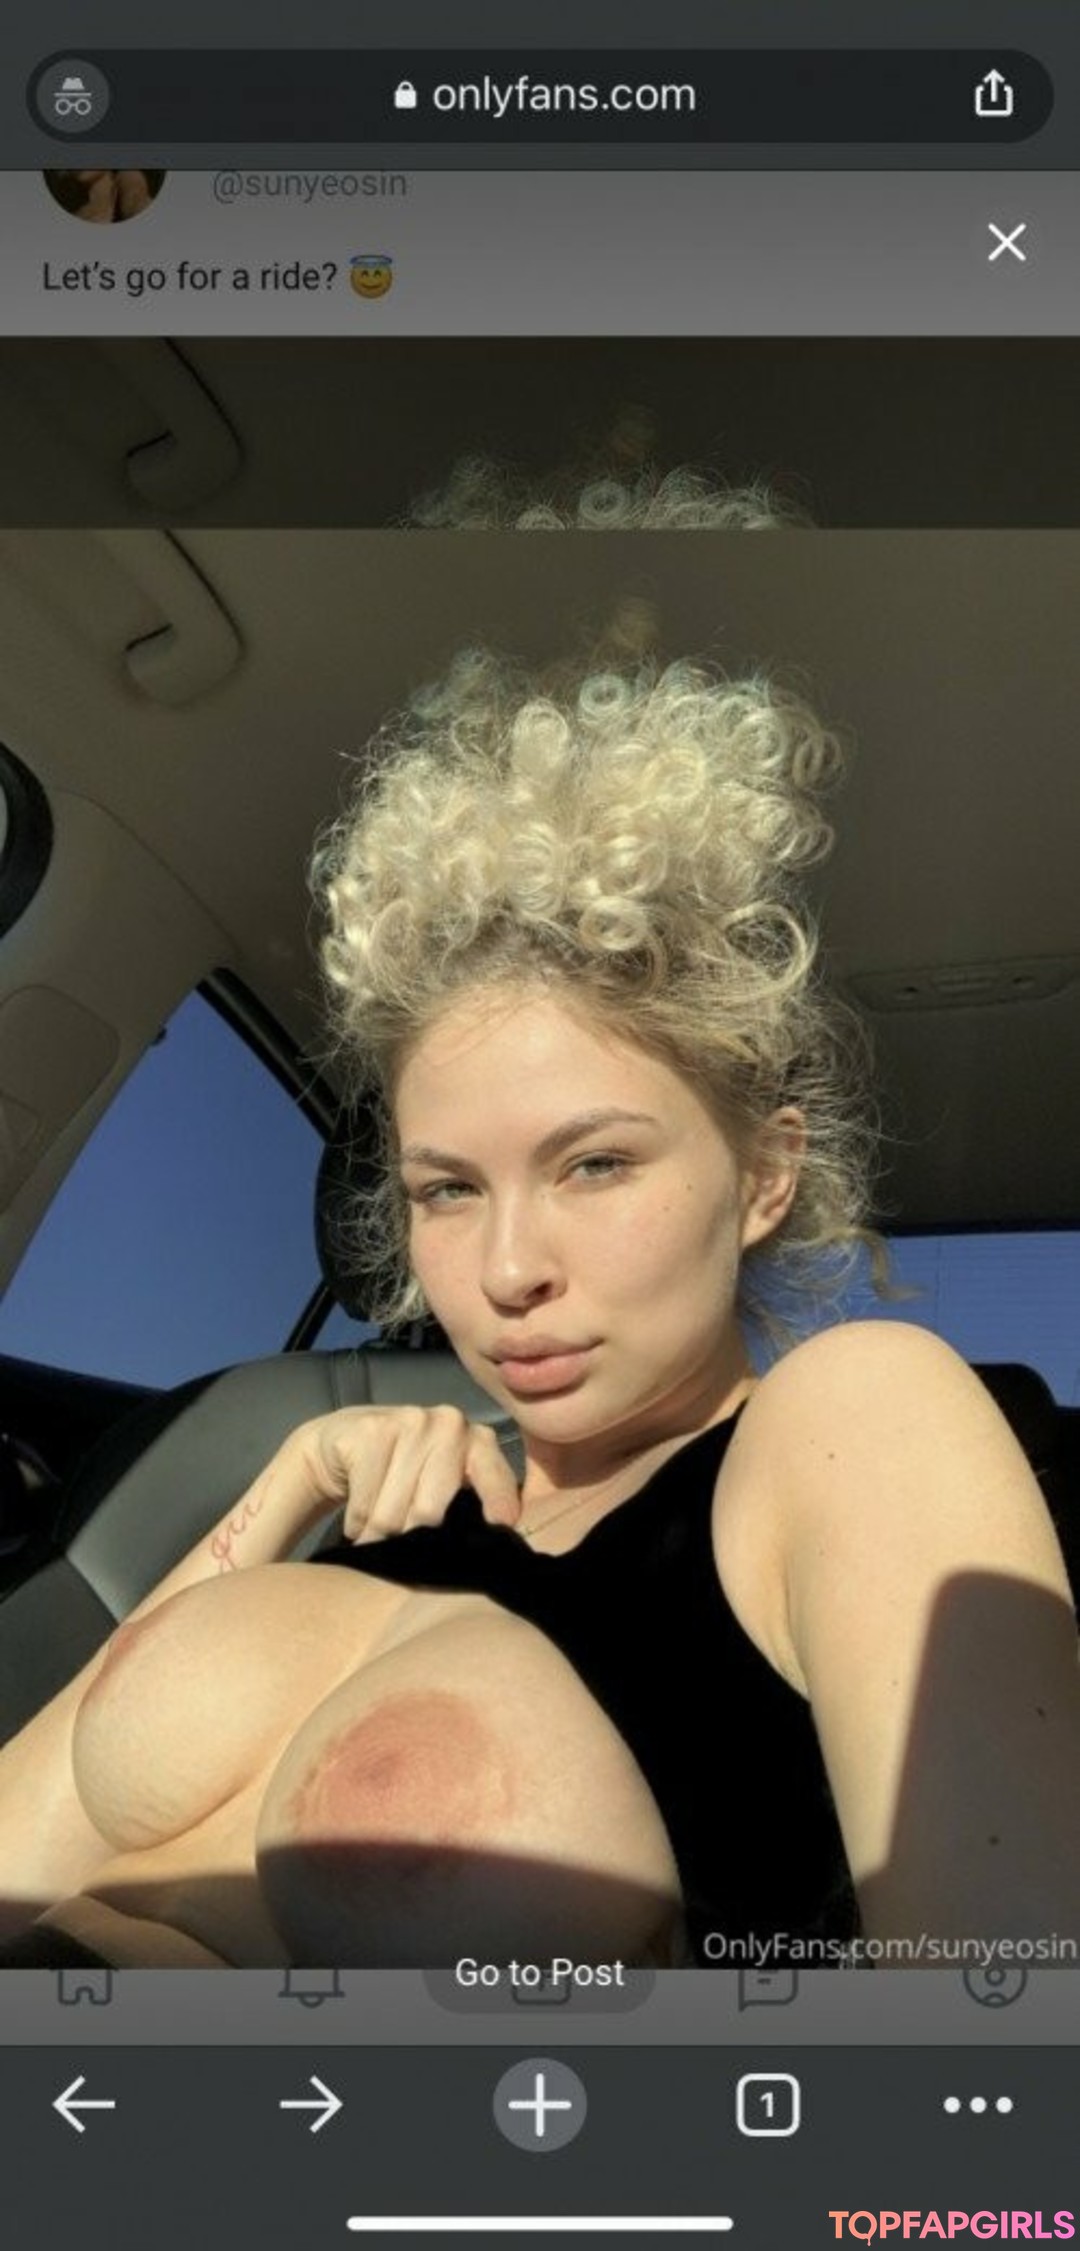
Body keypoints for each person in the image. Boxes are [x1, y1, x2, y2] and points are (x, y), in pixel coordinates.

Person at [1, 648, 1079, 1970]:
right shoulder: (381, 1511)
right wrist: (291, 1479)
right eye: (448, 1189)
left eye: (595, 1165)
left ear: (762, 1176)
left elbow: (1004, 2041)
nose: (507, 1269)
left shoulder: (847, 1425)